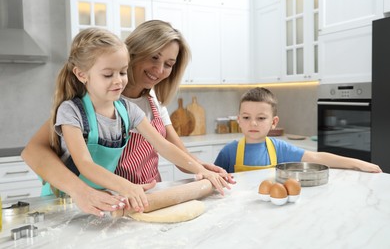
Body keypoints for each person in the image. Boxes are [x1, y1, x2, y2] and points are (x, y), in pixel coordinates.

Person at [22, 21, 232, 217]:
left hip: (138, 199)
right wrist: (94, 189)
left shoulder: (142, 104)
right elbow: (41, 152)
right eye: (153, 57)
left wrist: (203, 169)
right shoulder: (78, 107)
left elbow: (169, 149)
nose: (159, 70)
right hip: (93, 199)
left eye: (169, 64)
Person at [214, 87, 382, 174]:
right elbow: (212, 178)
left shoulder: (280, 149)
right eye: (246, 117)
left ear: (274, 122)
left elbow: (317, 157)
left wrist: (359, 164)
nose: (253, 123)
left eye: (261, 118)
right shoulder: (229, 152)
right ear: (238, 121)